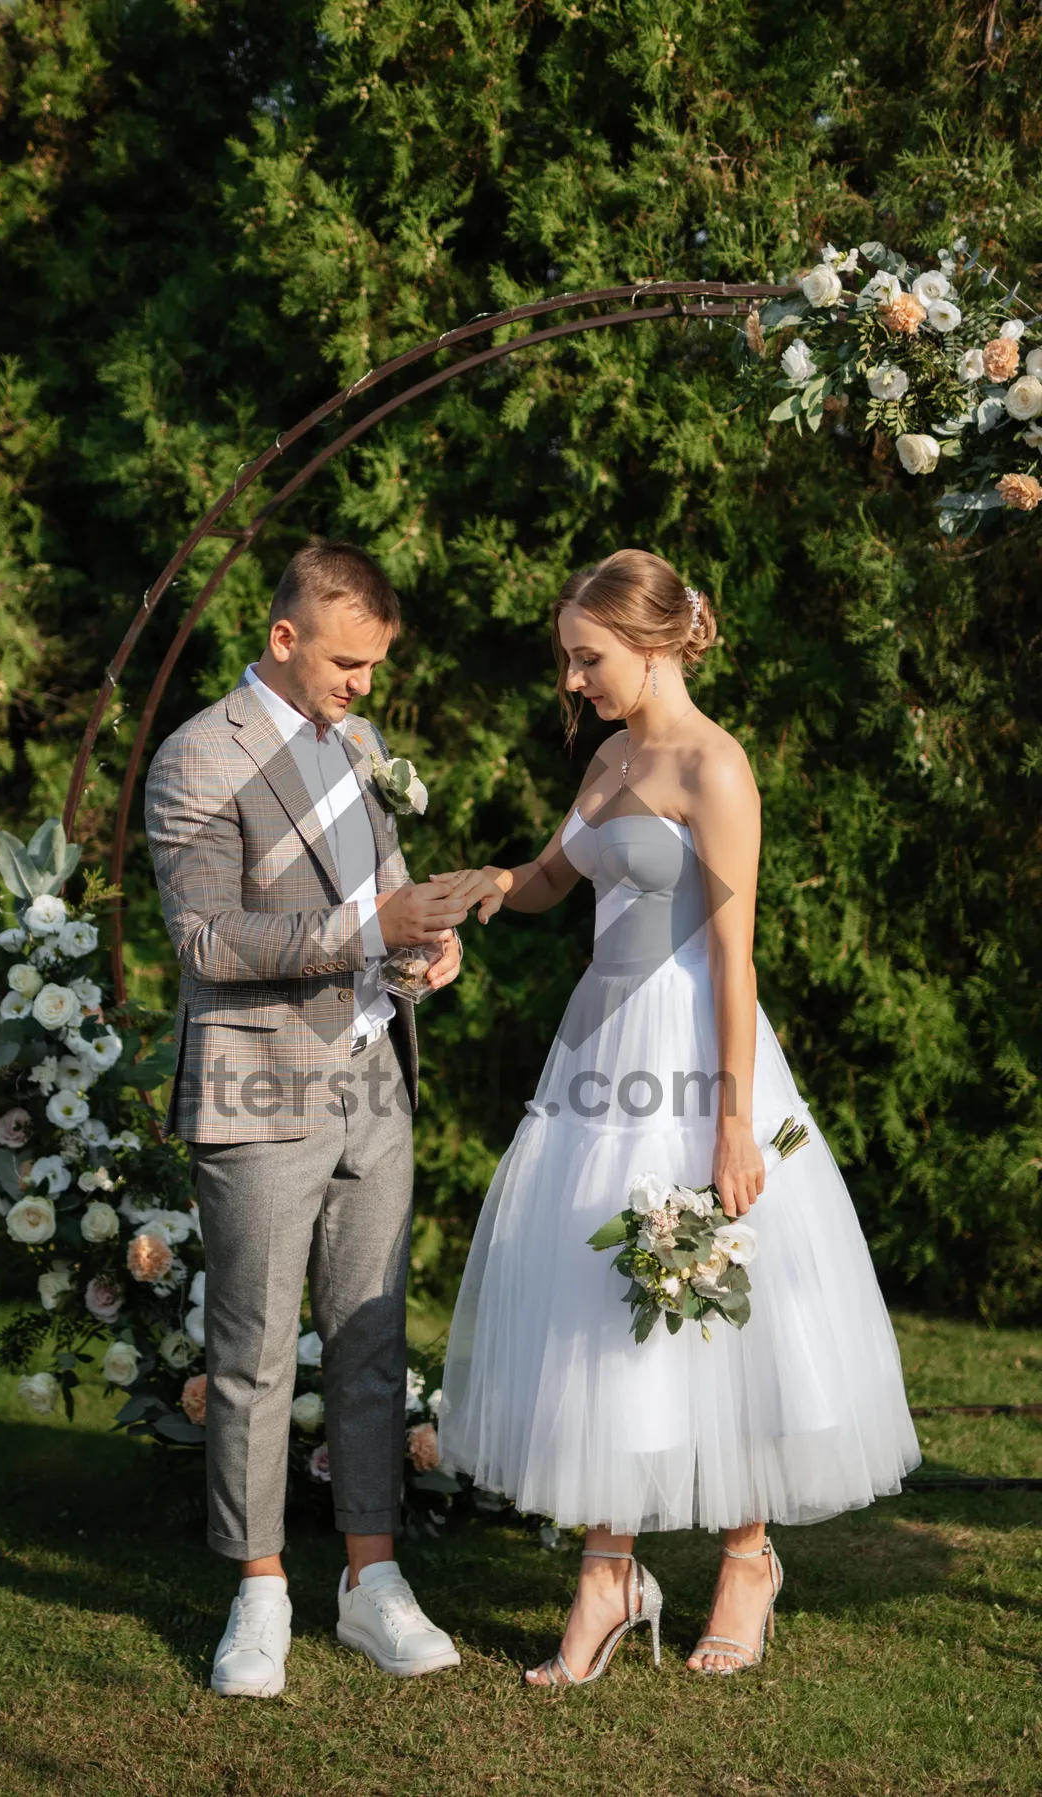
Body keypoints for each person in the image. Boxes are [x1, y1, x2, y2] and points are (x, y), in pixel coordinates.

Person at [435, 549, 921, 1684]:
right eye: (567, 658)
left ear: (651, 644)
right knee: (598, 1302)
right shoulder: (609, 757)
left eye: (586, 656)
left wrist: (734, 1123)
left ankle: (747, 1558)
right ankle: (609, 1571)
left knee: (720, 1314)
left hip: (695, 1057)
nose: (572, 678)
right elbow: (559, 877)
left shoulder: (716, 769)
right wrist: (488, 886)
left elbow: (735, 960)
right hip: (597, 1054)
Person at [144, 539, 468, 1699]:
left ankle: (372, 1584)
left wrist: (433, 942)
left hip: (377, 1077)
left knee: (374, 1347)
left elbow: (387, 892)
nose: (363, 687)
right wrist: (369, 933)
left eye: (375, 667)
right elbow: (205, 941)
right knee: (255, 1356)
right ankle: (262, 1591)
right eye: (347, 663)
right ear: (283, 639)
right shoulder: (198, 757)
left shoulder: (358, 747)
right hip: (259, 1084)